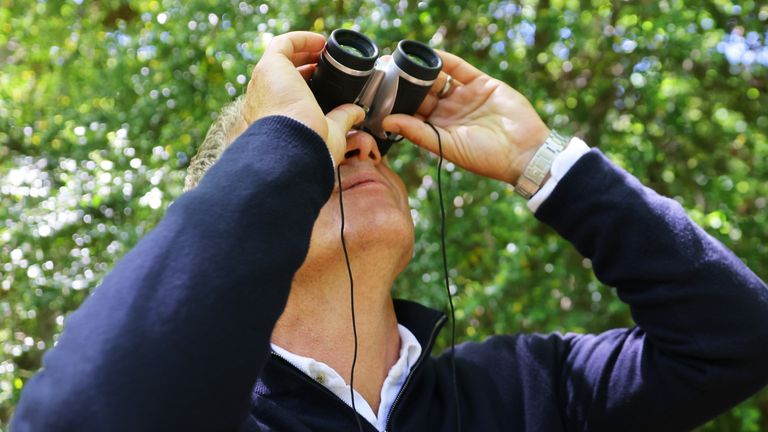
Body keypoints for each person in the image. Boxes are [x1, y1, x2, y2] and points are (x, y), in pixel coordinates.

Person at [11, 31, 768, 432]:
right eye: (320, 150)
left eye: (368, 139)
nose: (362, 145)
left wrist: (541, 161)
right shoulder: (204, 409)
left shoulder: (527, 393)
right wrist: (285, 144)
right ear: (247, 203)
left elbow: (737, 340)